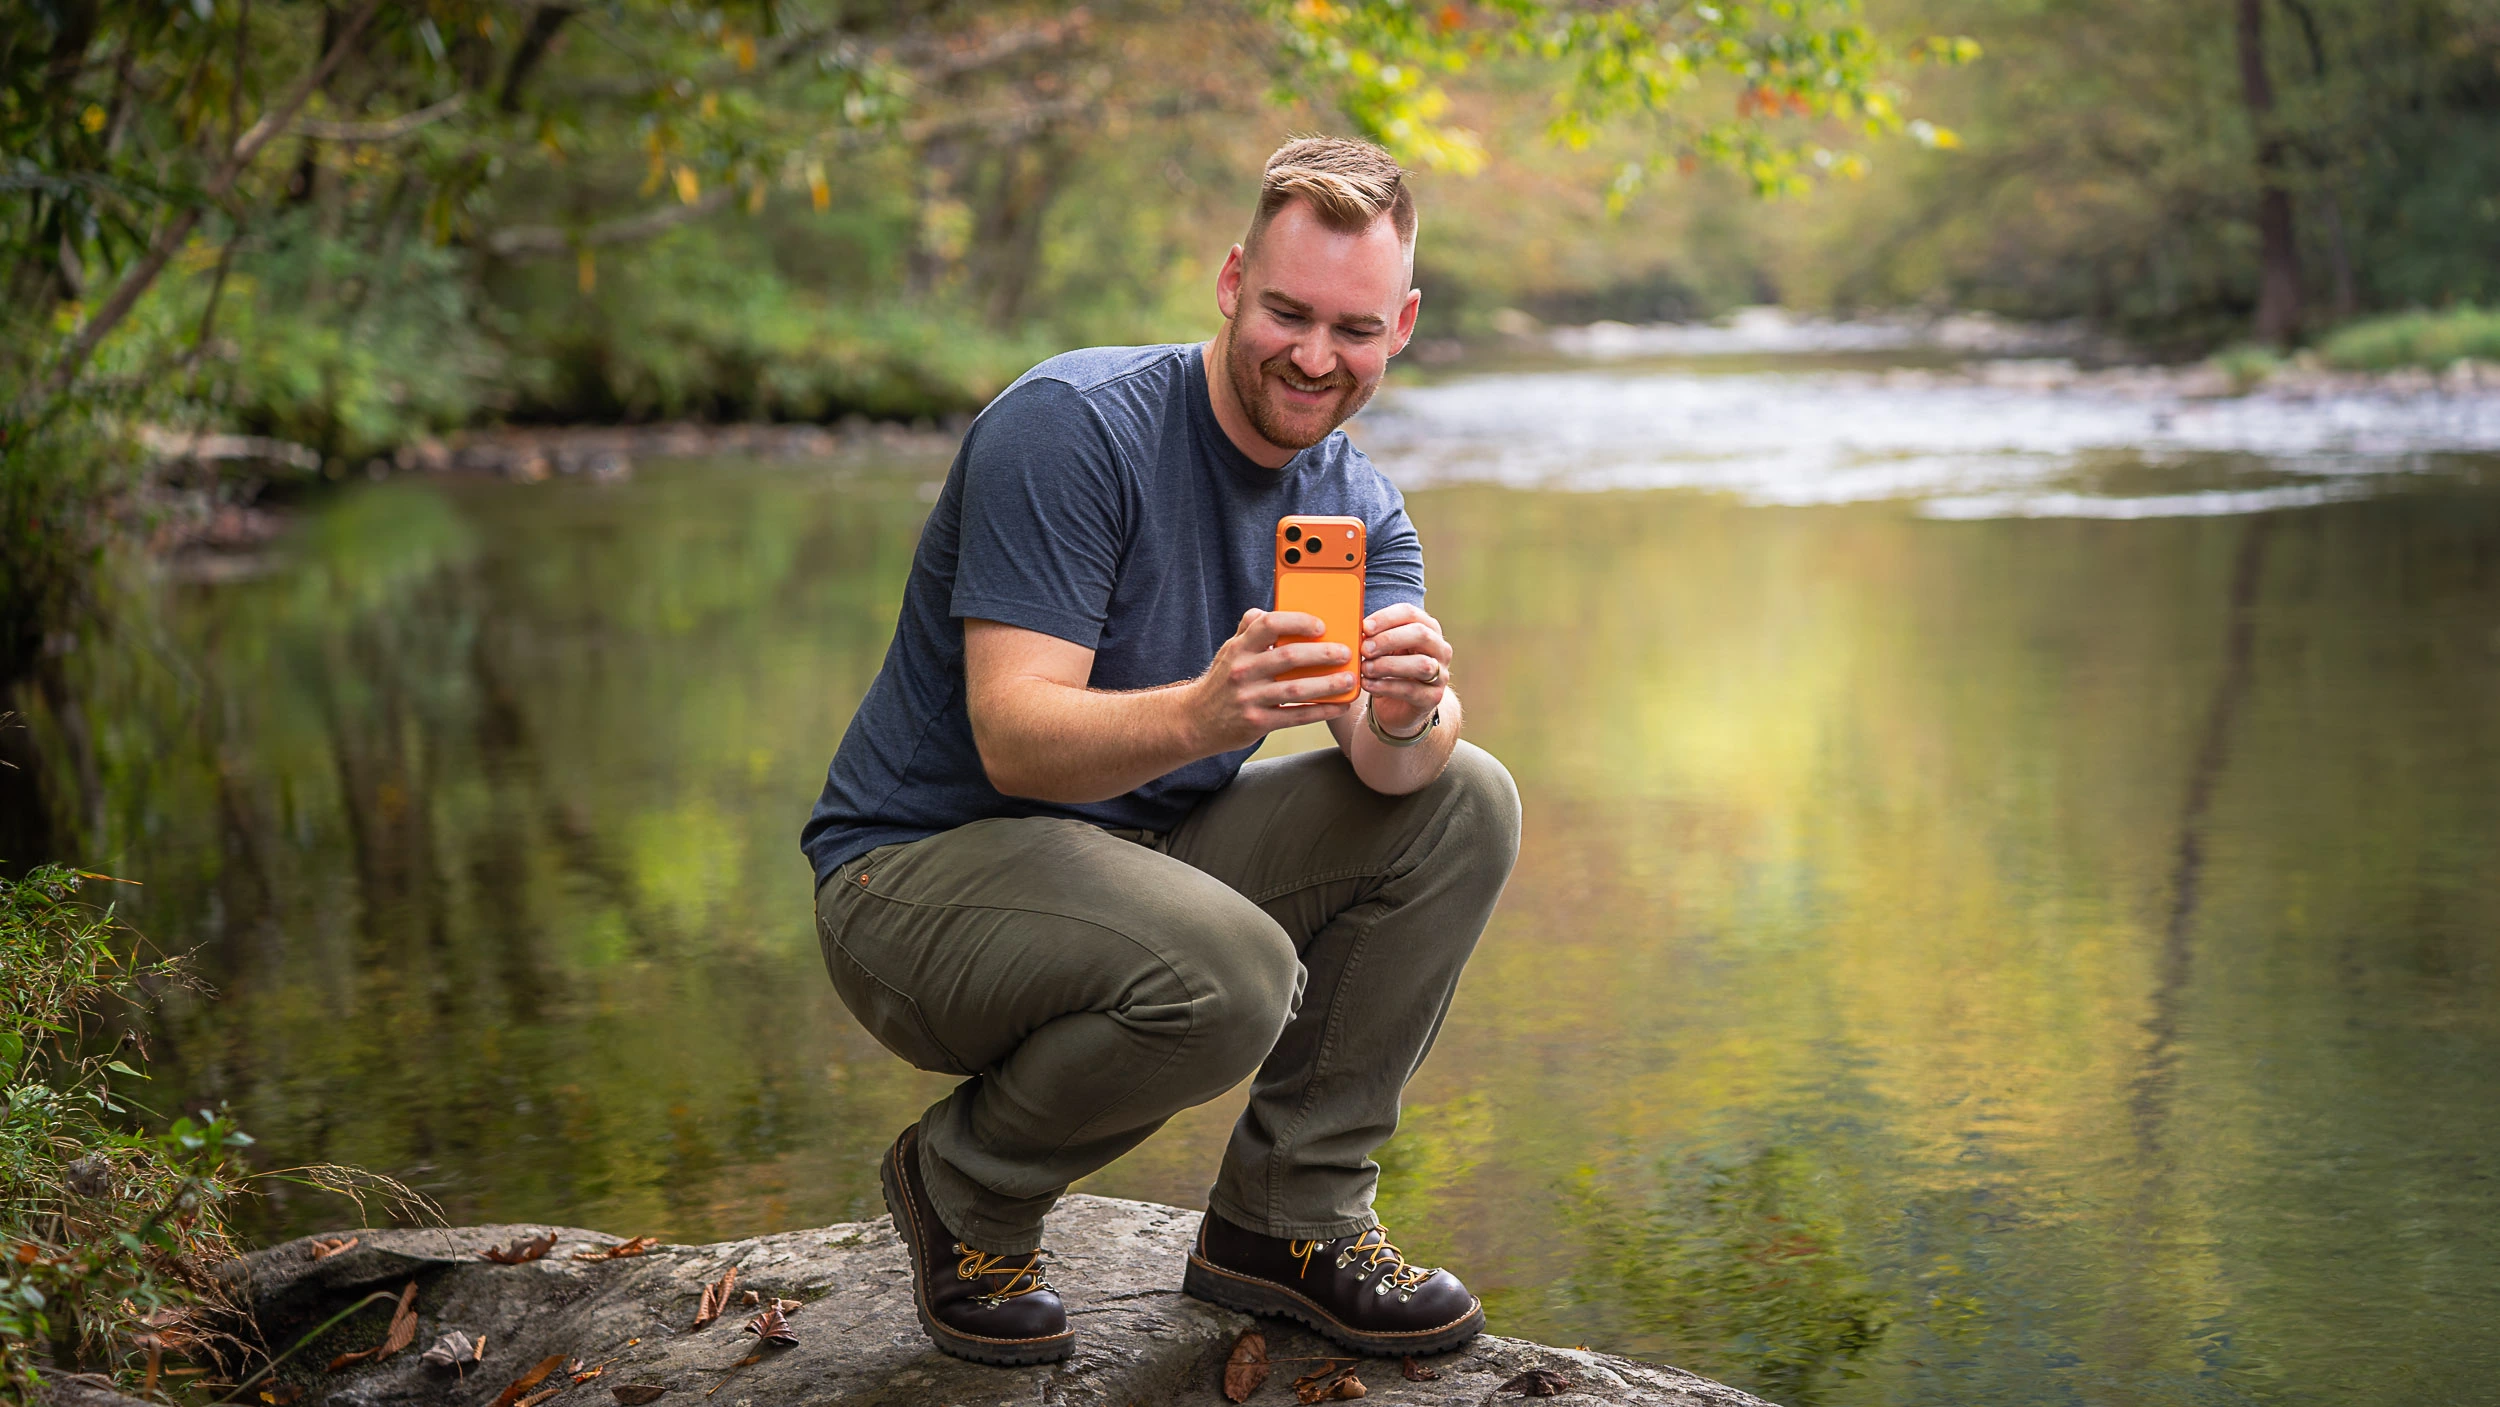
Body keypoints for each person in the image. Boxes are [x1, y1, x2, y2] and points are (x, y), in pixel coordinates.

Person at [799, 136, 1521, 1367]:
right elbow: (1014, 741)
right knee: (1231, 970)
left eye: (1351, 328)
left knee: (1467, 795)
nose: (1313, 355)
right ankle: (964, 1191)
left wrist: (1405, 713)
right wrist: (1207, 709)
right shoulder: (1074, 429)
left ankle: (1285, 1225)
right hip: (912, 881)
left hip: (1127, 861)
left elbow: (1390, 766)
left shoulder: (1352, 503)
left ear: (1399, 325)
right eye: (1286, 311)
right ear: (1232, 281)